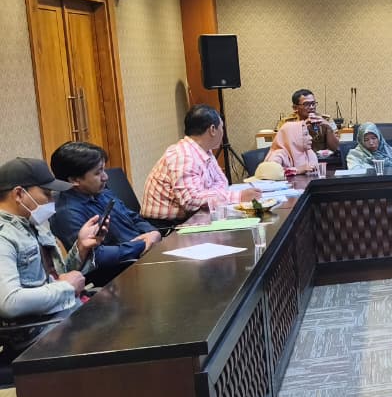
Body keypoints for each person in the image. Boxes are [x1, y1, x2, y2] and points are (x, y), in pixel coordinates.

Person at [1, 157, 107, 321]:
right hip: (42, 328)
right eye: (47, 193)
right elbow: (10, 303)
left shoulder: (33, 224)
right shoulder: (4, 236)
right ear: (19, 194)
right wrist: (67, 287)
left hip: (65, 311)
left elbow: (58, 276)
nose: (52, 201)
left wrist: (81, 247)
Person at [49, 142, 161, 286]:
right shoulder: (67, 212)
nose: (105, 177)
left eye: (104, 169)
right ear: (75, 180)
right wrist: (142, 244)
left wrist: (152, 232)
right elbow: (96, 256)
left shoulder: (102, 192)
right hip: (122, 273)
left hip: (147, 253)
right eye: (98, 173)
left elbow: (133, 217)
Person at [141, 104, 257, 221]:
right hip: (167, 226)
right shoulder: (183, 155)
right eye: (222, 127)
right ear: (212, 130)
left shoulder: (204, 151)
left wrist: (208, 194)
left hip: (193, 218)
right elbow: (191, 200)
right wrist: (239, 196)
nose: (223, 132)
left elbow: (222, 182)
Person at [276, 89, 340, 158]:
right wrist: (302, 127)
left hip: (323, 160)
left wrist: (328, 128)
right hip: (296, 160)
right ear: (295, 108)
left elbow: (335, 148)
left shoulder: (326, 120)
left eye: (313, 103)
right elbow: (282, 147)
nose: (312, 107)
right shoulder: (286, 123)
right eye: (306, 104)